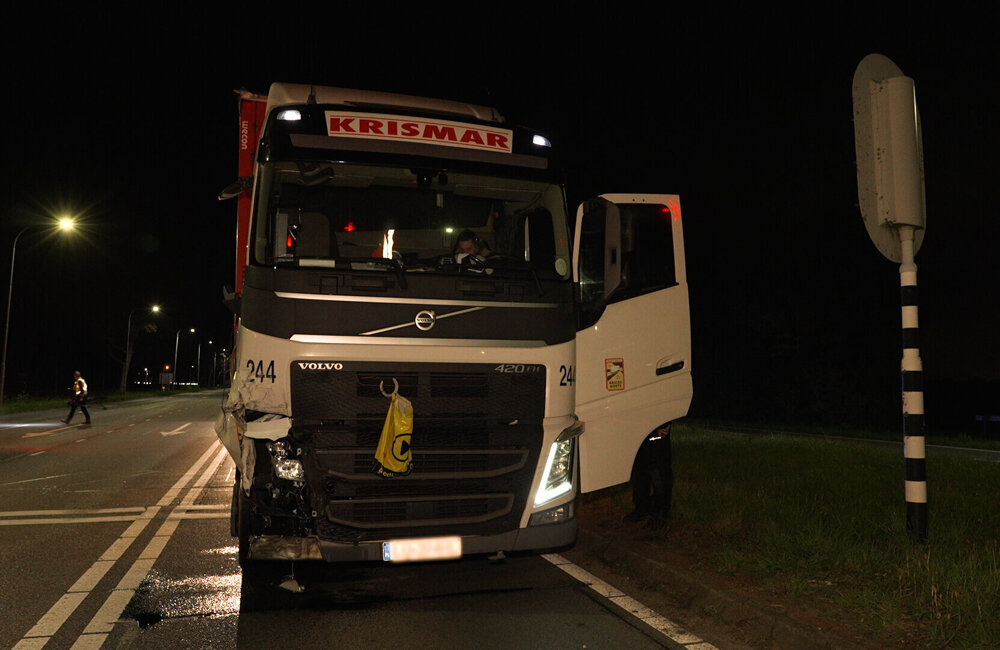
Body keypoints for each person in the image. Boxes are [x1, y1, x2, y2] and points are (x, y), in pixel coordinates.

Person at [623, 424, 673, 529]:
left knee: (657, 469)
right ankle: (642, 507)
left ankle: (660, 513)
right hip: (639, 423)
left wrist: (665, 424)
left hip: (657, 424)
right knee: (639, 466)